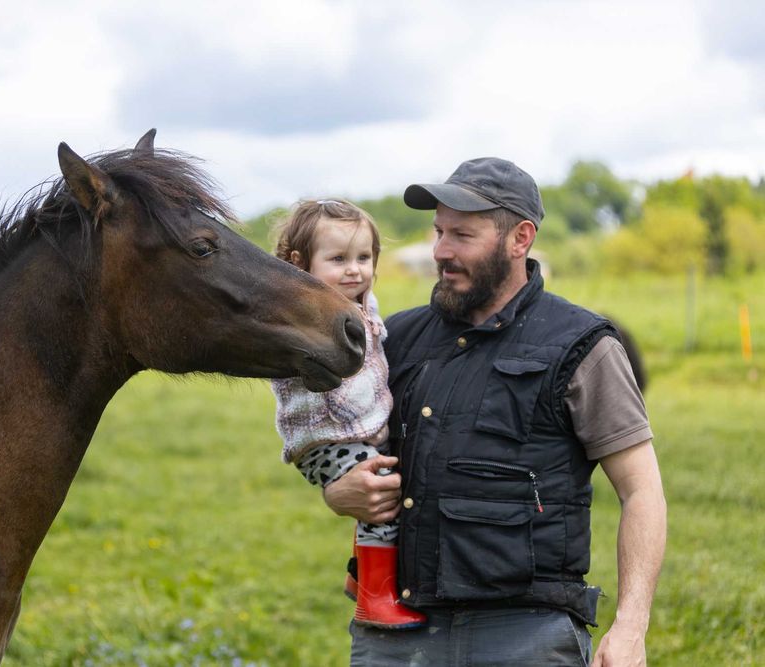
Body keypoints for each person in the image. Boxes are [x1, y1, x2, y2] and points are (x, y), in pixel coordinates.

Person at [322, 159, 667, 666]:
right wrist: (338, 490)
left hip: (526, 633)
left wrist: (631, 627)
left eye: (462, 235)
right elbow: (345, 439)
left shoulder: (581, 344)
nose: (441, 251)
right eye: (439, 232)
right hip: (397, 633)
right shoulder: (398, 338)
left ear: (520, 238)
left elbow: (642, 491)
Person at [271, 199, 426, 629]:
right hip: (328, 436)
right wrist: (380, 423)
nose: (354, 270)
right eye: (338, 259)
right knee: (381, 498)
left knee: (382, 491)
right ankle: (375, 598)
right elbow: (345, 387)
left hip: (352, 431)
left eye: (364, 258)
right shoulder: (305, 315)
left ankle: (360, 577)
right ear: (300, 264)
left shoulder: (356, 304)